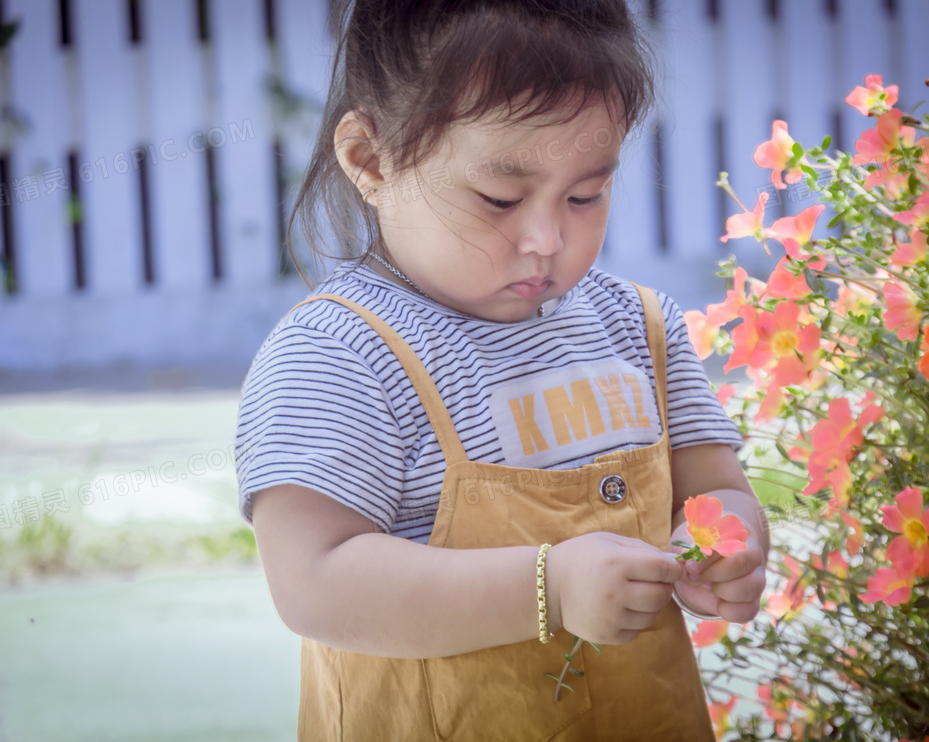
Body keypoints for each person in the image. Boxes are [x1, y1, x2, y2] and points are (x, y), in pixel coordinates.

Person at [235, 1, 768, 739]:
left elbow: (715, 492)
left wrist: (724, 548)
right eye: (499, 199)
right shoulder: (338, 354)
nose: (547, 239)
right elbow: (313, 582)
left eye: (586, 194)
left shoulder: (638, 328)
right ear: (371, 159)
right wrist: (548, 588)